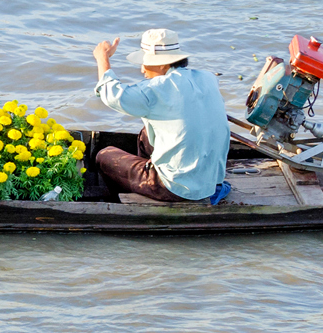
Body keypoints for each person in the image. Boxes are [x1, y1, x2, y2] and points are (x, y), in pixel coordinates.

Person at [91, 29, 232, 204]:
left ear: (163, 64)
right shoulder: (207, 78)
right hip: (212, 179)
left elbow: (111, 95)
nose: (142, 69)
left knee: (104, 156)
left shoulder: (157, 88)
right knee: (145, 134)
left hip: (177, 189)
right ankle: (148, 172)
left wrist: (102, 57)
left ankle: (122, 202)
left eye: (145, 63)